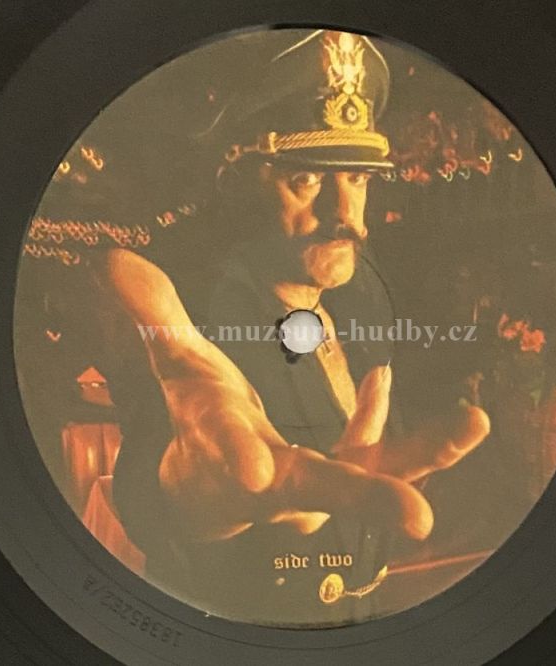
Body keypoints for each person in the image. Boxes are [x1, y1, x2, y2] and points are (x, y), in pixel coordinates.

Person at [88, 29, 490, 626]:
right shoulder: (188, 322)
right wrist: (191, 502)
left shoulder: (363, 304)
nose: (343, 213)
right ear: (234, 183)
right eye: (306, 179)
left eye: (358, 178)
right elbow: (163, 470)